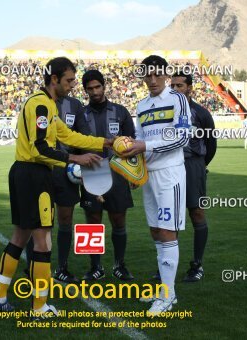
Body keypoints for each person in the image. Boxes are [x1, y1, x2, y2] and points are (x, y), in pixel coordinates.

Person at [0, 57, 113, 317]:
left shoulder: (46, 105)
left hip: (24, 174)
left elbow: (68, 136)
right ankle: (39, 306)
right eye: (68, 80)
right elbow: (40, 148)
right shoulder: (41, 105)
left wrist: (105, 142)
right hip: (34, 175)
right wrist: (75, 157)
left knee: (19, 237)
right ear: (54, 79)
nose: (72, 86)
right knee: (43, 242)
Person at [121, 55, 190, 314]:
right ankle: (164, 290)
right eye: (146, 75)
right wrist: (135, 170)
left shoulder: (177, 99)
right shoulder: (141, 105)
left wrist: (144, 146)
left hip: (170, 174)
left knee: (167, 232)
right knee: (155, 231)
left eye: (156, 75)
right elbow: (140, 137)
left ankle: (169, 296)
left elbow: (182, 138)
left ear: (166, 75)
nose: (151, 80)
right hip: (148, 175)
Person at [24, 94, 90, 284]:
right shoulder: (37, 102)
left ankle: (62, 268)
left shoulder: (74, 105)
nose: (70, 85)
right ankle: (32, 269)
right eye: (67, 80)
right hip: (41, 167)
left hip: (66, 169)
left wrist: (83, 165)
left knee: (65, 219)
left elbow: (82, 136)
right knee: (37, 221)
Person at [79, 69, 136, 281]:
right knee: (92, 222)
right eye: (90, 88)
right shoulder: (81, 114)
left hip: (117, 173)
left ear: (104, 86)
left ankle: (120, 265)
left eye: (97, 87)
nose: (94, 92)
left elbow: (132, 144)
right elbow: (75, 146)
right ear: (85, 90)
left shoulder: (121, 112)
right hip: (91, 172)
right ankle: (95, 267)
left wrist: (133, 173)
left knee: (118, 220)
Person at [170, 71, 216, 282]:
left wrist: (200, 165)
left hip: (193, 165)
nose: (176, 89)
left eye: (180, 85)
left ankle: (197, 265)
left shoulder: (201, 113)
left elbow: (211, 145)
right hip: (169, 166)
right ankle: (167, 264)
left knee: (196, 213)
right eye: (173, 85)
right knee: (169, 217)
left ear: (190, 88)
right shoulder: (167, 112)